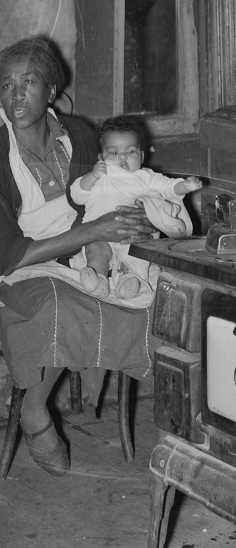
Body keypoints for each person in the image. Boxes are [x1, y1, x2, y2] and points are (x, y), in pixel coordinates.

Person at [0, 37, 157, 477]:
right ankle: (34, 408)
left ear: (51, 90)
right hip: (20, 267)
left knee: (155, 296)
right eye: (6, 85)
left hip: (89, 253)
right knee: (59, 305)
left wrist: (133, 220)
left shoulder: (82, 136)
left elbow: (117, 194)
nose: (16, 95)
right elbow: (9, 254)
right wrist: (98, 231)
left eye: (28, 82)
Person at [69, 115, 202, 300]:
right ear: (101, 157)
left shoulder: (145, 177)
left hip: (133, 237)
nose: (122, 157)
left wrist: (185, 186)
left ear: (141, 156)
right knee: (95, 251)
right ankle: (98, 280)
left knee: (137, 256)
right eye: (113, 153)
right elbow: (77, 194)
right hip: (99, 235)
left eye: (130, 151)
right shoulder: (99, 176)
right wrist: (91, 176)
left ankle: (129, 280)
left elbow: (168, 187)